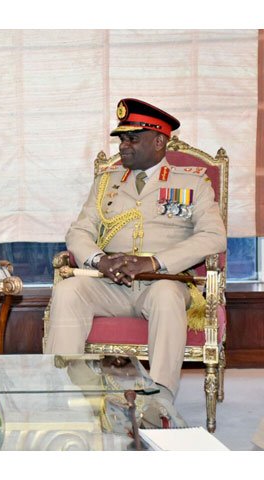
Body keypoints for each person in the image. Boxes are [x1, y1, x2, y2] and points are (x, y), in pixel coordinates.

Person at [45, 98, 227, 426]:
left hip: (163, 282)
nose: (123, 146)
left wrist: (155, 263)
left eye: (132, 139)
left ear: (159, 141)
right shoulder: (106, 183)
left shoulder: (193, 184)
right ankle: (69, 391)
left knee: (166, 296)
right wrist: (99, 261)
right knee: (69, 291)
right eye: (121, 139)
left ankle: (157, 402)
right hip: (110, 283)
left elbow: (214, 238)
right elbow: (78, 233)